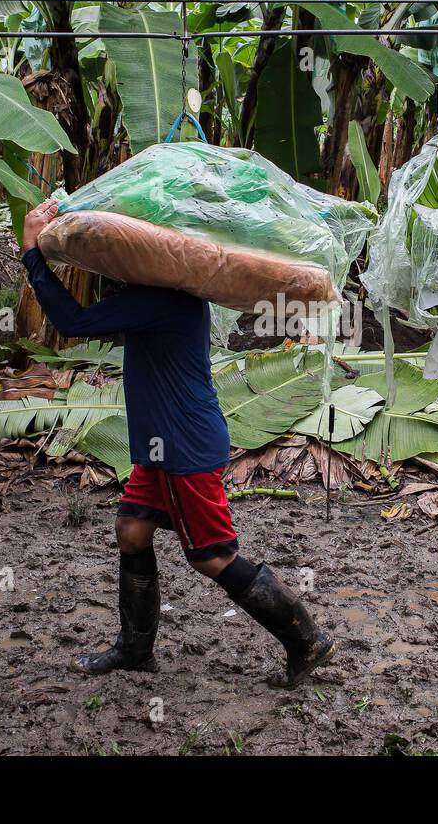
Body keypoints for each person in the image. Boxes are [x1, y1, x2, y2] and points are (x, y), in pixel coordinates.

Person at [20, 199, 336, 688]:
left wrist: (32, 253)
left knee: (212, 556)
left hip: (184, 447)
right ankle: (134, 650)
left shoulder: (162, 299)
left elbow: (75, 324)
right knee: (131, 530)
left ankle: (305, 640)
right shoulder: (161, 293)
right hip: (161, 448)